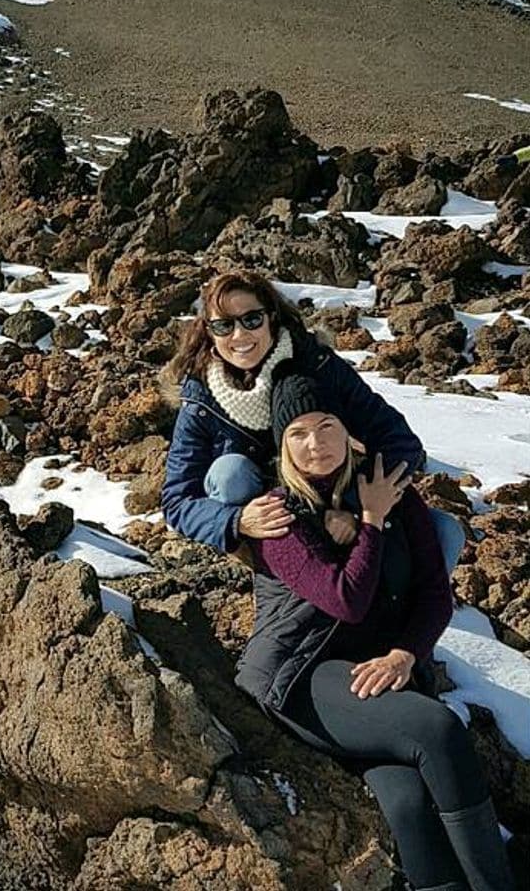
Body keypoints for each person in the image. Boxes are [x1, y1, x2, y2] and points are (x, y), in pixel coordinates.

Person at [236, 369, 515, 891]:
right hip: (302, 675)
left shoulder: (388, 489)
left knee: (406, 801)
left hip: (378, 669)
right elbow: (348, 601)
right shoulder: (276, 517)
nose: (315, 444)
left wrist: (407, 654)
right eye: (298, 433)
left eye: (326, 427)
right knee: (438, 731)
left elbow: (435, 593)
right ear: (282, 446)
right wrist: (370, 523)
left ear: (348, 431)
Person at [160, 270, 465, 571]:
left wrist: (354, 505)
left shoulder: (318, 366)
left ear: (272, 317)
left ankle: (411, 612)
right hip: (270, 516)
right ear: (209, 332)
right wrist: (237, 521)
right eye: (224, 326)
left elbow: (398, 442)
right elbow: (177, 500)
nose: (239, 335)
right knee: (230, 474)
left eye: (251, 319)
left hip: (328, 496)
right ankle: (279, 573)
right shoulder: (201, 397)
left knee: (446, 532)